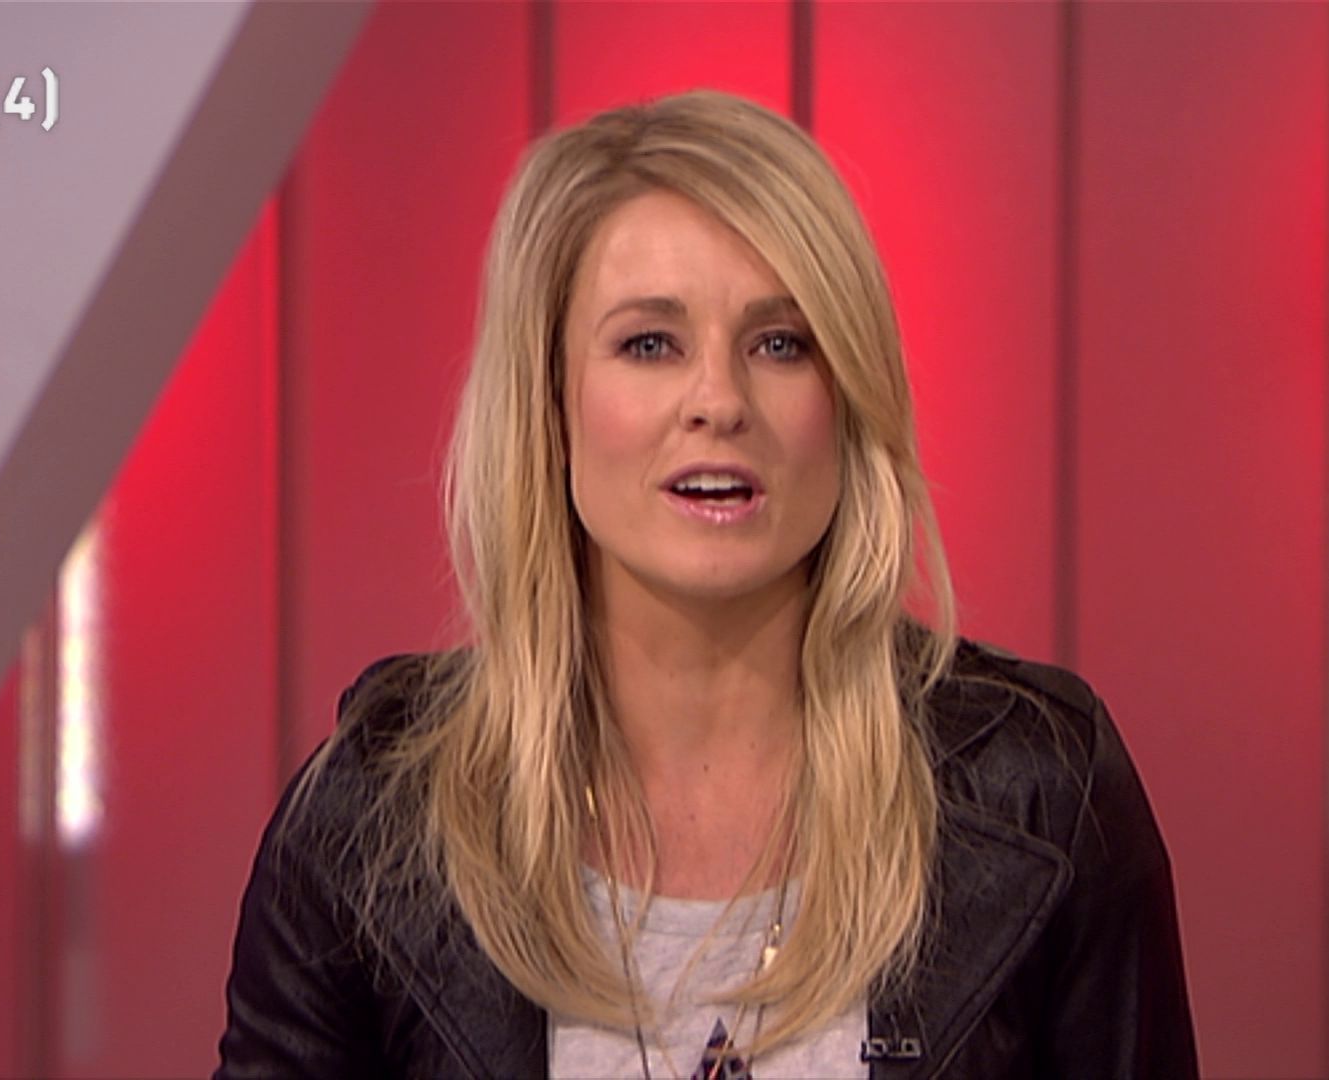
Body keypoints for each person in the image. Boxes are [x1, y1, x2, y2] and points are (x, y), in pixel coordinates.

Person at [216, 89, 1197, 1079]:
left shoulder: (1041, 794)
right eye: (650, 343)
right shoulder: (372, 822)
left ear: (847, 399)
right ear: (550, 405)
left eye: (781, 344)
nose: (720, 401)